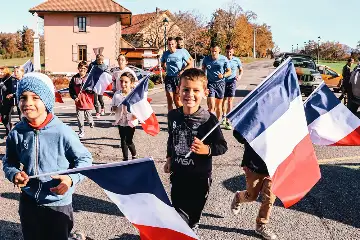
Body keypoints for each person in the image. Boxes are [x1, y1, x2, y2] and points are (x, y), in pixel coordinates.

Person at [2, 72, 92, 240]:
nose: (28, 103)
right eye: (23, 97)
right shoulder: (16, 132)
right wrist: (14, 174)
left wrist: (70, 179)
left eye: (35, 97)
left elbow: (85, 160)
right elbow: (9, 161)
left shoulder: (62, 131)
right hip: (28, 201)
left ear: (47, 101)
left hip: (57, 204)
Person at [164, 68, 228, 230]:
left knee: (193, 215)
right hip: (178, 175)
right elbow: (171, 138)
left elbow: (222, 146)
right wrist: (169, 158)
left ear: (205, 92)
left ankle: (192, 225)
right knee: (178, 214)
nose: (189, 94)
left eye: (195, 90)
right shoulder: (173, 116)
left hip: (200, 179)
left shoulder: (209, 120)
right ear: (178, 90)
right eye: (185, 89)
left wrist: (206, 149)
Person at [231, 130, 277, 240]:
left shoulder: (283, 116)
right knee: (251, 196)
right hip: (254, 165)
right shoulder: (256, 114)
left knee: (269, 197)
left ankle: (261, 225)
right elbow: (238, 134)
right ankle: (238, 197)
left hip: (274, 165)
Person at [111, 72, 138, 161]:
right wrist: (113, 108)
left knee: (129, 140)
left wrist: (135, 114)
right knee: (122, 139)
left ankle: (134, 155)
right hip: (120, 120)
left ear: (132, 83)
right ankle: (125, 159)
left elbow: (138, 108)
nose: (123, 84)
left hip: (131, 121)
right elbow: (112, 107)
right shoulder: (117, 94)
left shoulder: (134, 95)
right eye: (121, 81)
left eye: (126, 82)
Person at [161, 37, 193, 112]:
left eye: (172, 44)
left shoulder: (181, 52)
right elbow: (162, 63)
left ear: (175, 44)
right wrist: (164, 67)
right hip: (169, 78)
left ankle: (181, 115)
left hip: (178, 78)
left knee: (177, 100)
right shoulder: (165, 54)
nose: (171, 46)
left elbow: (190, 63)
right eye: (169, 44)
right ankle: (170, 118)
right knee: (169, 98)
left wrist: (183, 70)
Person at [202, 42, 232, 120]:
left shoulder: (224, 59)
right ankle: (210, 123)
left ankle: (217, 123)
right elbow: (203, 70)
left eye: (215, 51)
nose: (213, 53)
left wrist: (223, 75)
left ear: (219, 51)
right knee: (212, 106)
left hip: (220, 84)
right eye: (212, 51)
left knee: (218, 106)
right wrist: (203, 80)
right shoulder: (206, 59)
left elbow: (229, 71)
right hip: (211, 84)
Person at [69, 61, 95, 139]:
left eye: (84, 68)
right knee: (80, 119)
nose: (82, 70)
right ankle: (81, 131)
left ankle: (91, 122)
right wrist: (74, 97)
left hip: (88, 101)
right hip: (79, 102)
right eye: (81, 68)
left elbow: (93, 89)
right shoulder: (74, 78)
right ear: (78, 68)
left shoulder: (89, 78)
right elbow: (71, 90)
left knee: (88, 117)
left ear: (86, 69)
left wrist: (88, 89)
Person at [222, 45, 243, 130]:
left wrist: (240, 76)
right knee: (224, 100)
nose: (229, 53)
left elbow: (241, 69)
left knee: (230, 101)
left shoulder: (236, 60)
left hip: (232, 82)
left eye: (230, 52)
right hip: (223, 82)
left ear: (233, 52)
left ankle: (228, 119)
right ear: (225, 52)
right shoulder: (222, 59)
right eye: (227, 52)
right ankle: (223, 116)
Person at [88, 54, 107, 118]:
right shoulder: (92, 65)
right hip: (94, 83)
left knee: (100, 98)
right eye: (100, 60)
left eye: (102, 60)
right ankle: (97, 112)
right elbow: (88, 73)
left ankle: (102, 108)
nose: (101, 62)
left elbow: (106, 74)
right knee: (95, 99)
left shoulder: (104, 66)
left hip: (101, 84)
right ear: (96, 59)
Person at [0, 67, 16, 138]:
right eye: (0, 72)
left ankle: (8, 132)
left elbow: (10, 91)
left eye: (2, 72)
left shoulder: (10, 79)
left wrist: (3, 86)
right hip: (1, 101)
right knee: (3, 118)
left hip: (8, 101)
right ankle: (9, 126)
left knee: (6, 117)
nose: (1, 73)